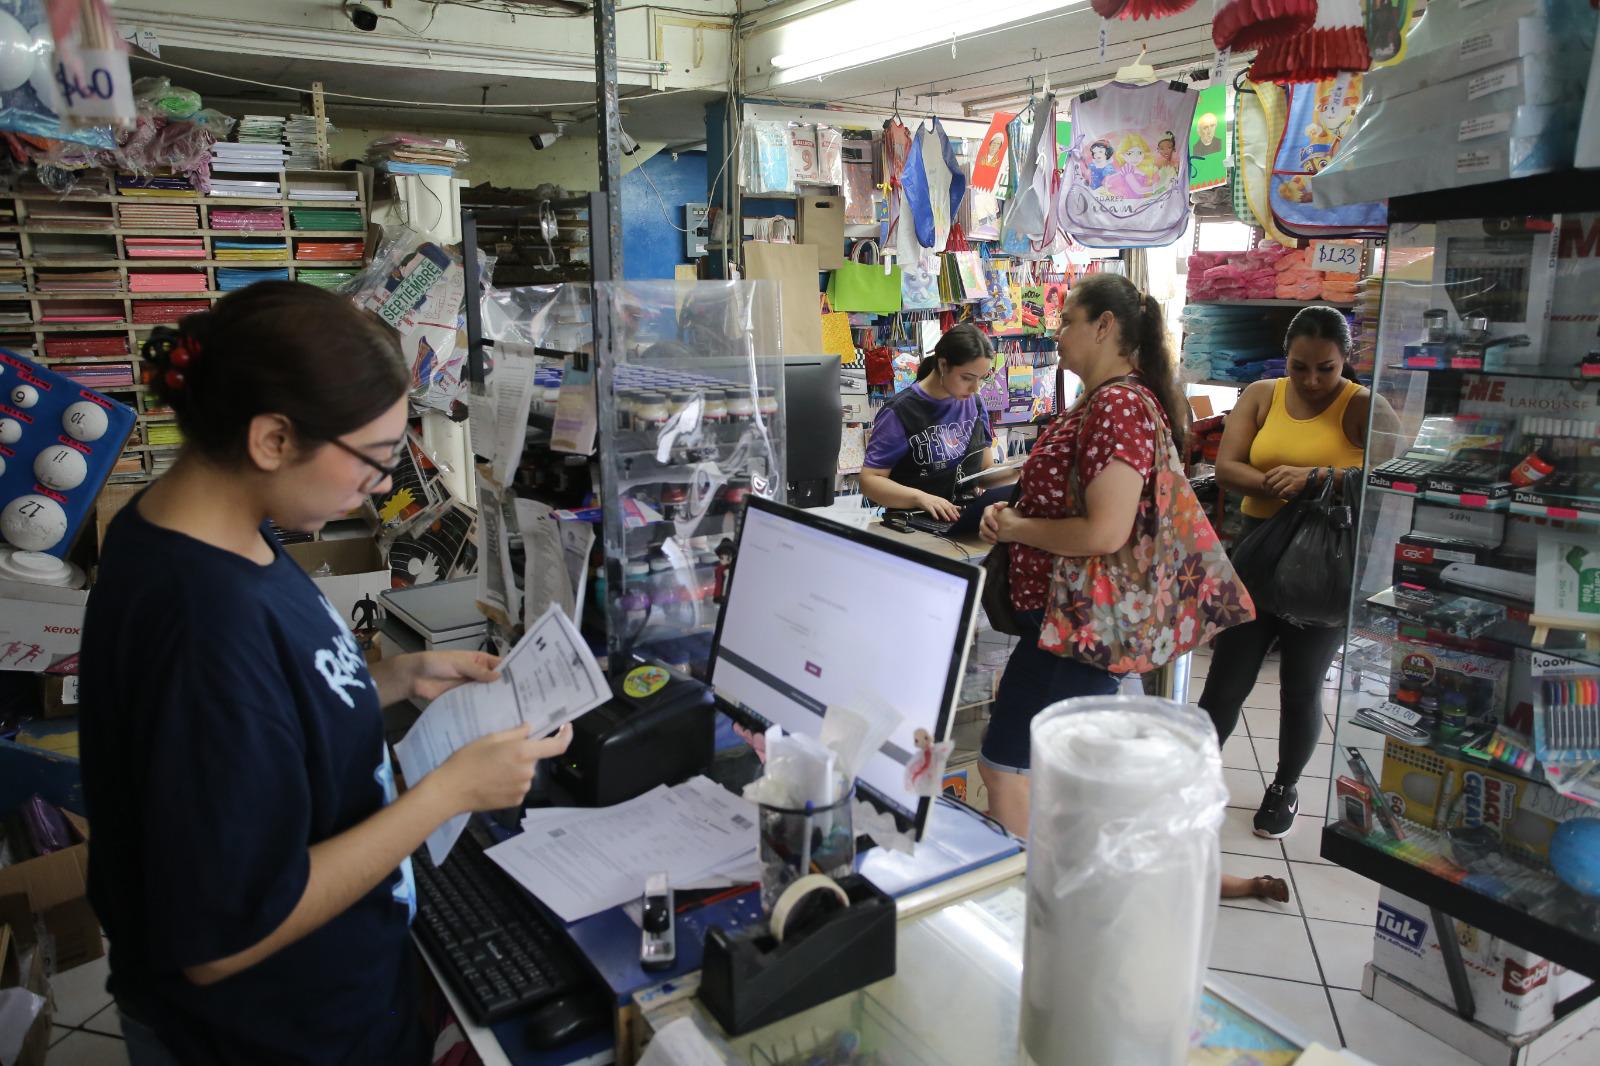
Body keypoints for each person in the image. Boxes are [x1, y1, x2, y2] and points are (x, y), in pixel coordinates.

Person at [79, 282, 574, 1066]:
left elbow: (261, 713)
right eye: (374, 461)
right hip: (265, 1034)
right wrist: (447, 794)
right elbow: (225, 935)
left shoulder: (210, 527)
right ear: (273, 440)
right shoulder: (200, 622)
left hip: (328, 998)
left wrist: (396, 678)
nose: (382, 485)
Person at [976, 274, 1191, 833]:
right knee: (1100, 777)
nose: (1057, 329)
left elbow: (1104, 532)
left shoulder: (1117, 406)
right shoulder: (1101, 402)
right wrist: (1011, 510)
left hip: (1079, 626)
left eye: (1068, 319)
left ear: (1104, 327)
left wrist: (1017, 527)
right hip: (1071, 623)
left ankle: (1027, 895)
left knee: (1007, 767)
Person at [1201, 306, 1386, 840]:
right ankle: (1194, 780)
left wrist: (1320, 478)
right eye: (1300, 365)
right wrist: (1281, 485)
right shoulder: (1263, 395)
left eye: (1325, 368)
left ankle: (1284, 787)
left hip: (1325, 570)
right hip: (1258, 559)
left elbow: (1393, 475)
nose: (1311, 380)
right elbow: (1228, 467)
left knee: (1301, 688)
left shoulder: (1362, 406)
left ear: (1345, 362)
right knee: (1225, 682)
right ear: (1286, 356)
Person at [860, 323, 1007, 522]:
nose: (975, 388)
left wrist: (1023, 470)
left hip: (964, 521)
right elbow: (870, 481)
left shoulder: (975, 404)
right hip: (915, 524)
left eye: (981, 379)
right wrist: (920, 498)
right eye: (967, 378)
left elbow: (983, 473)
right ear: (943, 365)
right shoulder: (900, 411)